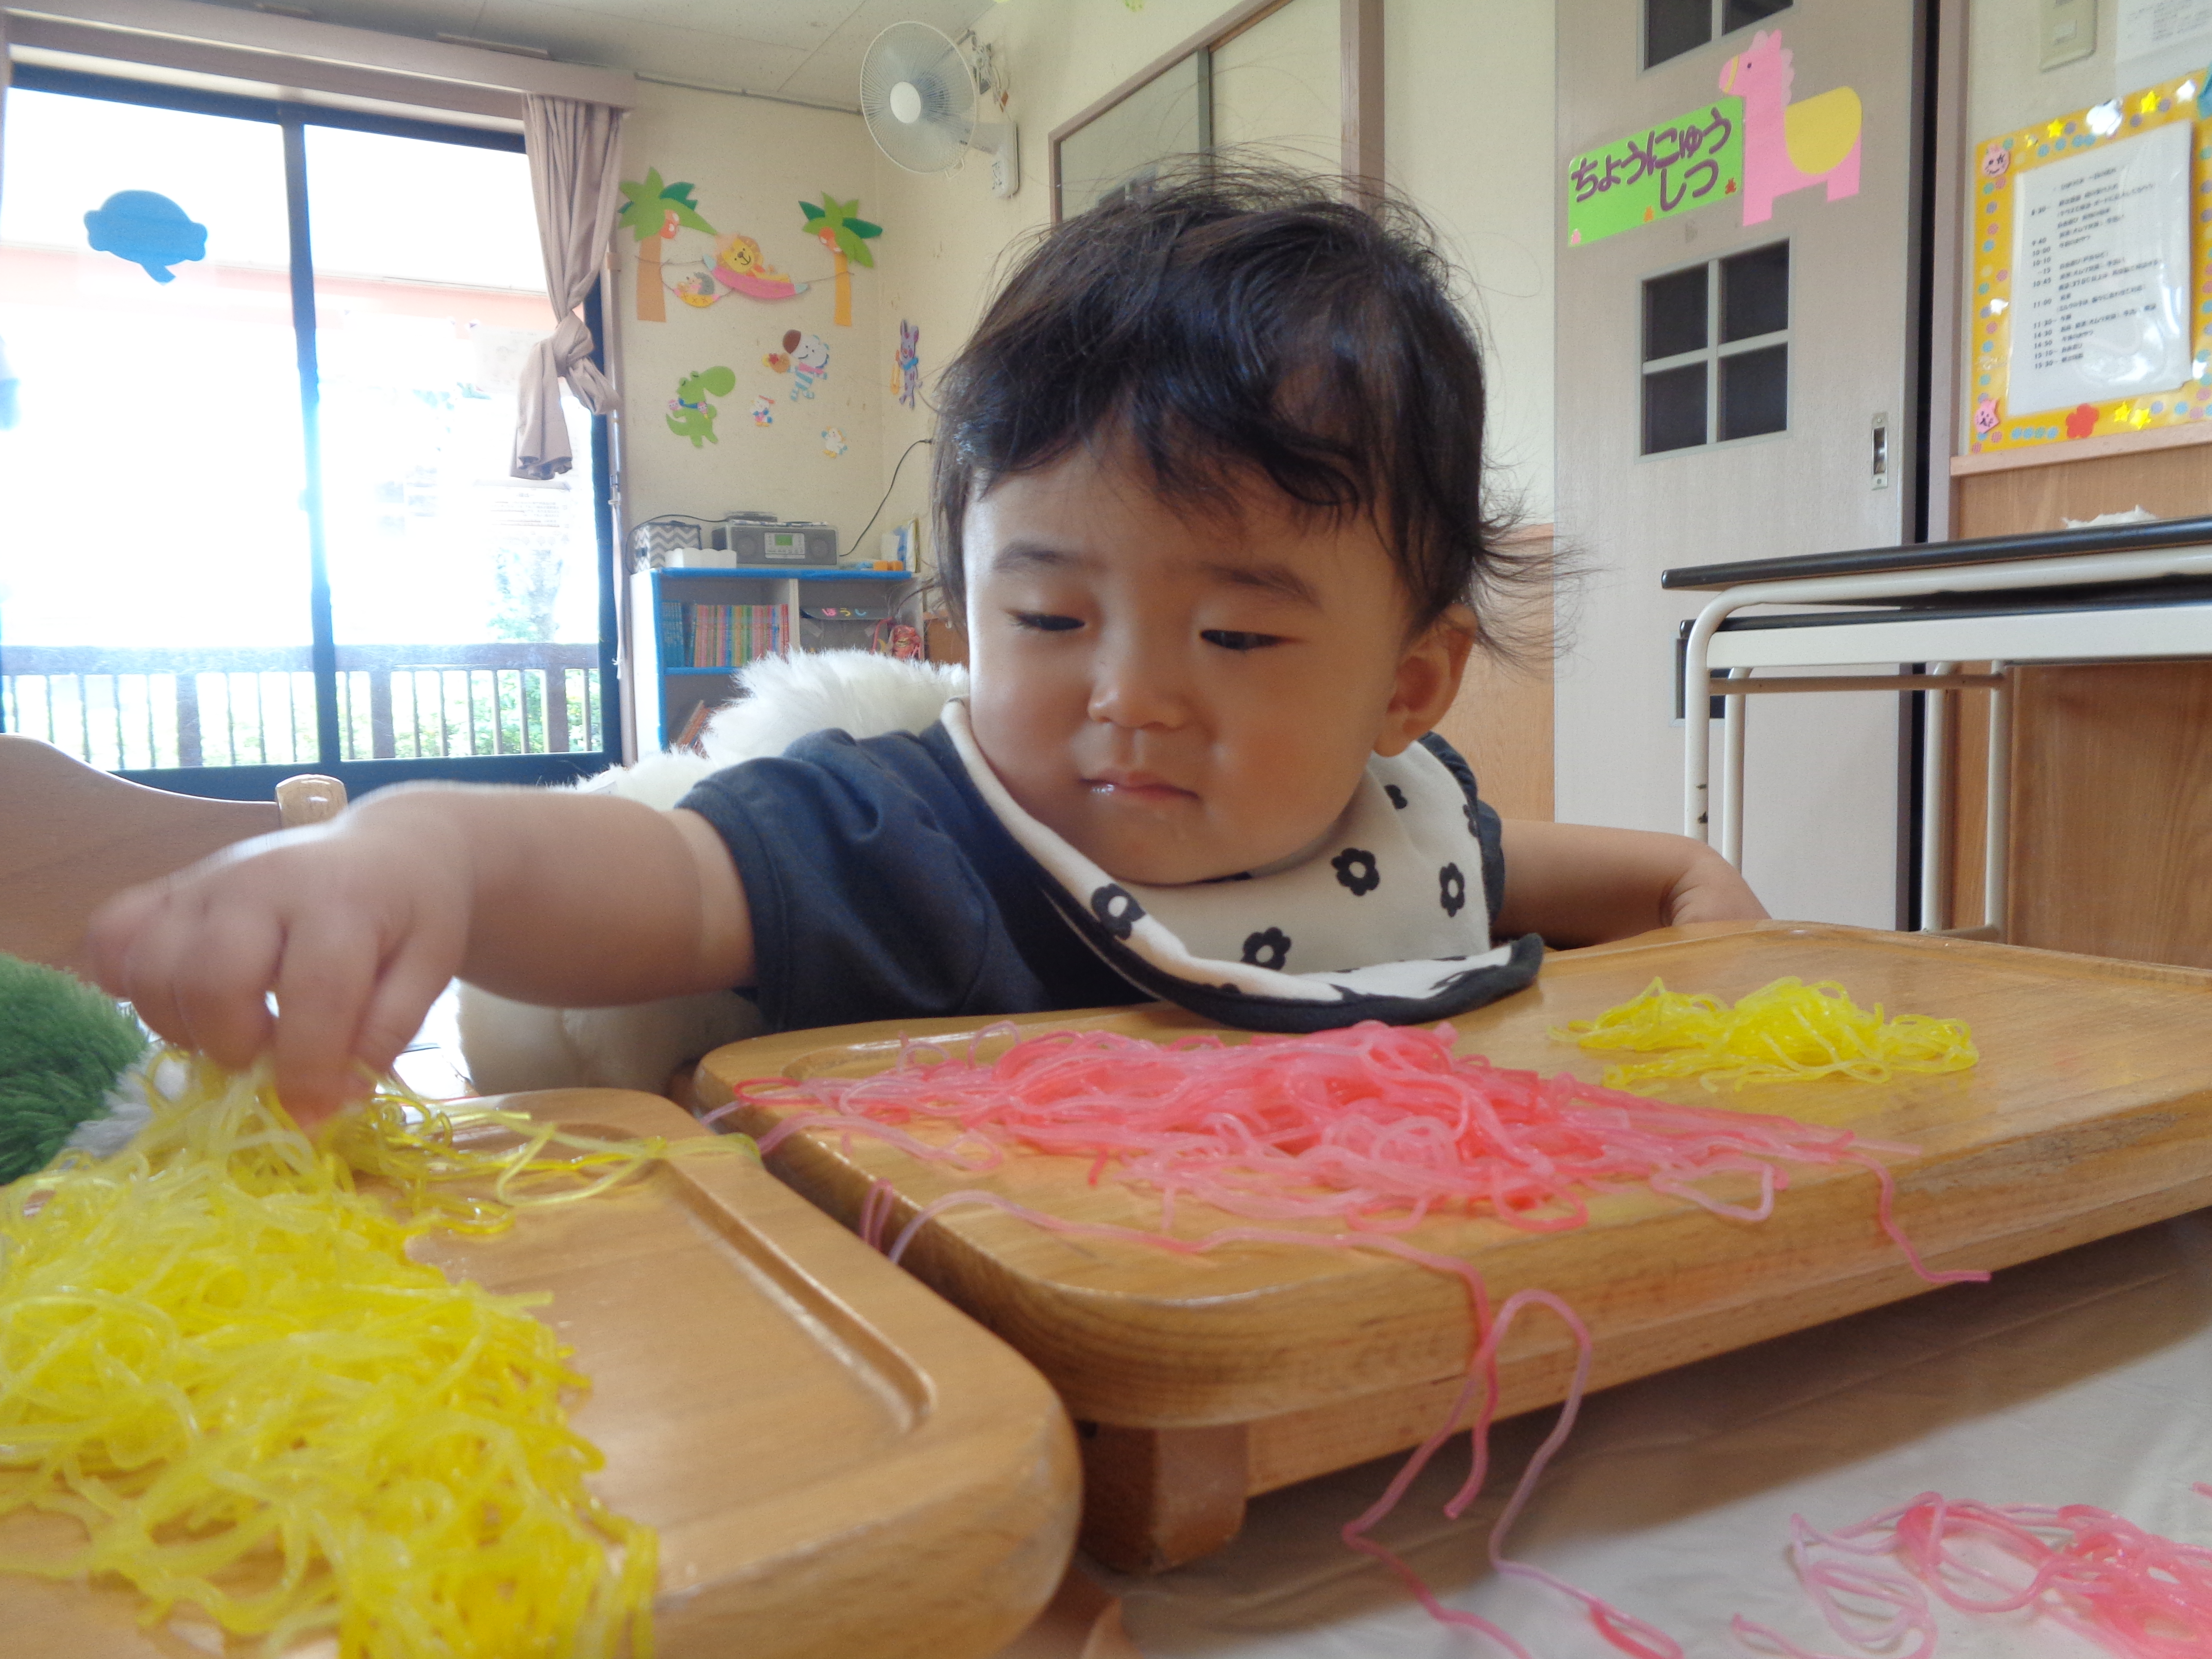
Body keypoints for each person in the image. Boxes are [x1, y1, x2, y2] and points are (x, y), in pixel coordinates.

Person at [87, 165, 1764, 1122]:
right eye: (1048, 617)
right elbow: (647, 881)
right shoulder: (915, 846)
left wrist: (1702, 890)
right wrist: (424, 853)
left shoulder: (1395, 827)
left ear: (1406, 688)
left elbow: (1590, 874)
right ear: (969, 614)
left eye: (1239, 633)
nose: (1129, 695)